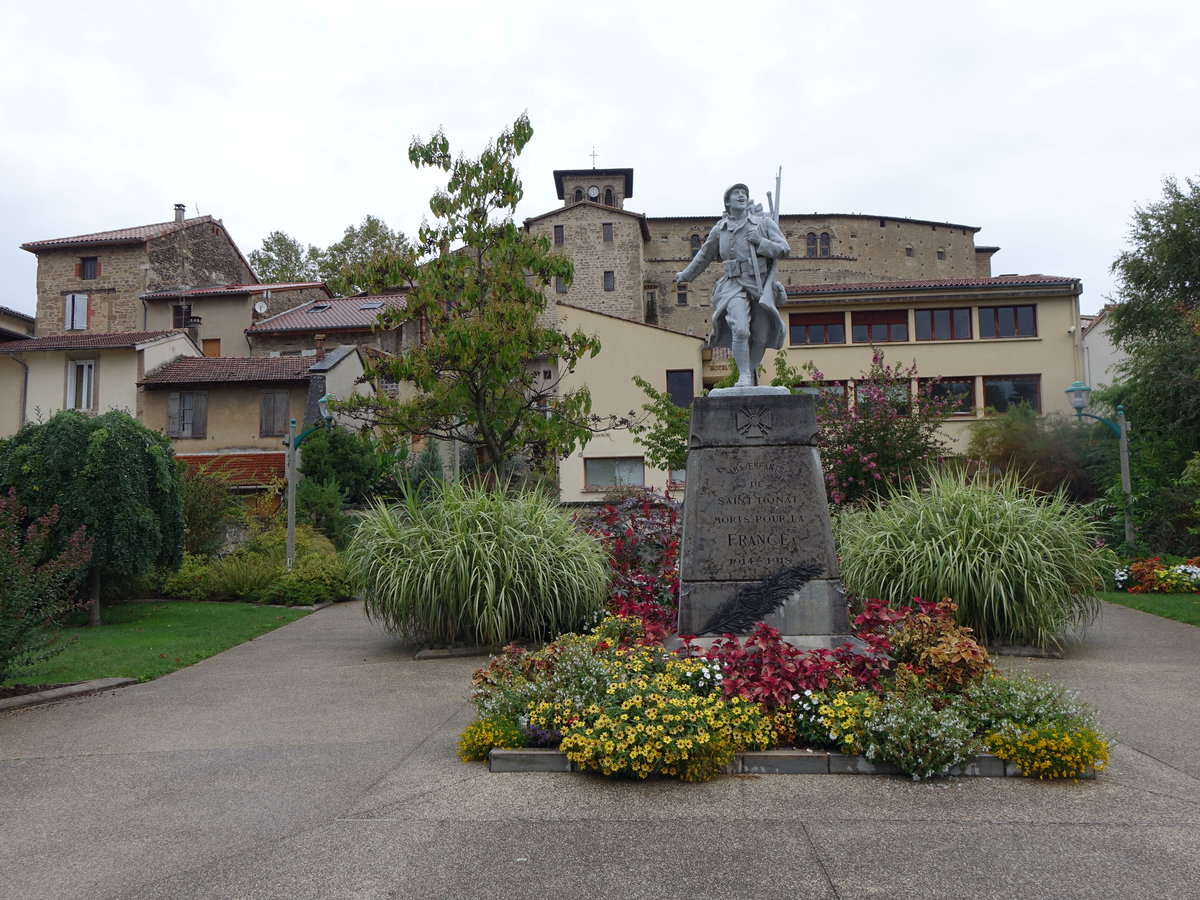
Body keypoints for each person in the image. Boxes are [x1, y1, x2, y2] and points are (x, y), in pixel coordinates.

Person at [675, 183, 790, 387]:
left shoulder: (762, 223)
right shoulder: (720, 229)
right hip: (733, 284)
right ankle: (743, 376)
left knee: (761, 336)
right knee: (741, 329)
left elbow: (784, 250)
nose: (741, 196)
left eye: (744, 193)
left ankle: (751, 371)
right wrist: (686, 274)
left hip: (759, 283)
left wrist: (760, 242)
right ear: (727, 201)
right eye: (736, 193)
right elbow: (705, 254)